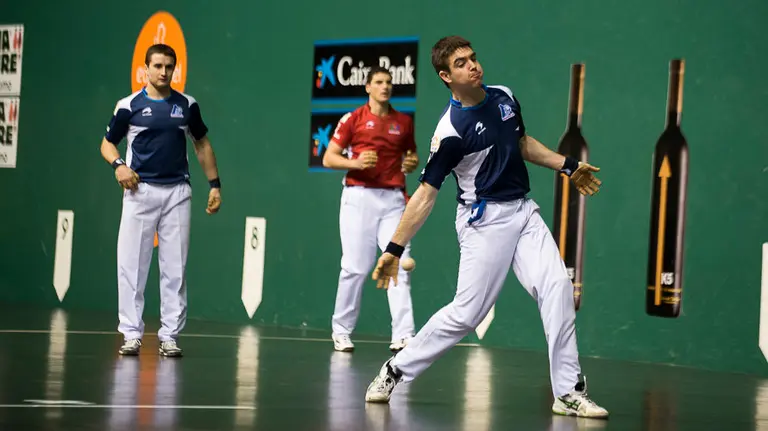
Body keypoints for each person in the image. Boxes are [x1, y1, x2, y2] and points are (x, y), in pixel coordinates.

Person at [363, 36, 609, 419]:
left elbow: (521, 142)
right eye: (461, 63)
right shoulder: (450, 133)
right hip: (483, 222)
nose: (473, 66)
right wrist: (393, 249)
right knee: (466, 314)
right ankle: (396, 369)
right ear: (446, 76)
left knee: (558, 286)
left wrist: (568, 165)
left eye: (474, 58)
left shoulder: (503, 96)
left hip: (524, 212)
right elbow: (426, 196)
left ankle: (568, 391)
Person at [99, 43, 222, 358]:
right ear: (146, 69)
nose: (163, 72)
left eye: (169, 66)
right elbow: (108, 144)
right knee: (131, 265)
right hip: (140, 192)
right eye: (157, 66)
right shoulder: (128, 106)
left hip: (178, 193)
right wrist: (119, 166)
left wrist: (214, 185)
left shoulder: (187, 105)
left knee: (175, 268)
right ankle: (130, 333)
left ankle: (170, 335)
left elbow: (202, 145)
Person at [322, 66, 419, 353]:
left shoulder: (403, 122)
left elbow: (411, 156)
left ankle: (404, 335)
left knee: (398, 263)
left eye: (389, 82)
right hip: (358, 198)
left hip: (393, 201)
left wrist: (411, 163)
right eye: (379, 82)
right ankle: (341, 330)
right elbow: (329, 158)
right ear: (368, 87)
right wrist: (355, 163)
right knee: (355, 267)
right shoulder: (353, 119)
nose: (385, 86)